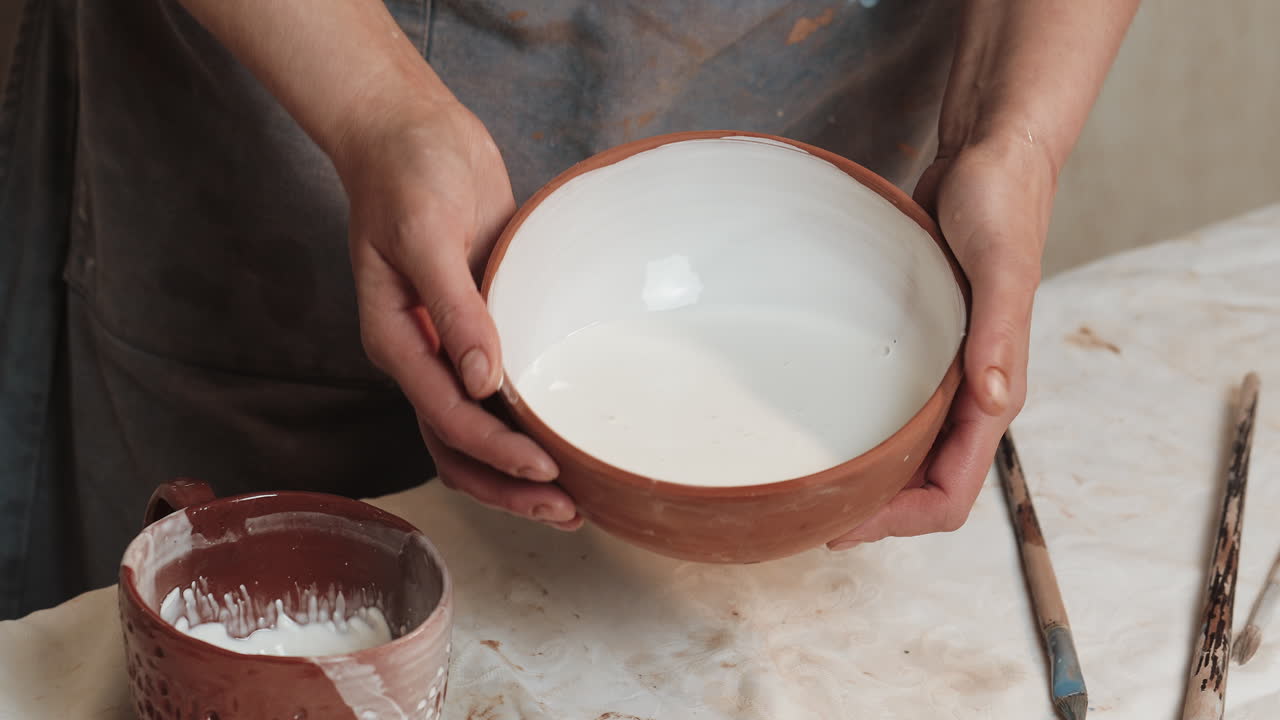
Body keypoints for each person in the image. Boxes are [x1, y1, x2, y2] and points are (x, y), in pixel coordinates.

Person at [0, 0, 1139, 619]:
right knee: (215, 629)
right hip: (288, 118)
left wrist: (1011, 136)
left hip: (826, 98)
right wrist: (377, 114)